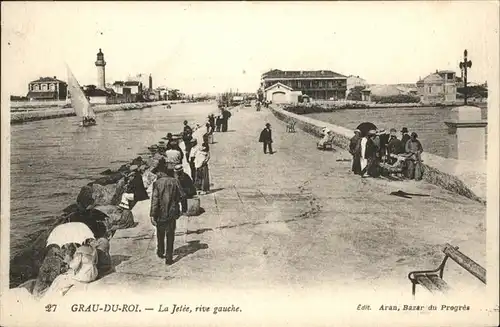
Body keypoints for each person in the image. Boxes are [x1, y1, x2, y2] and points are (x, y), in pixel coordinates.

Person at [150, 160, 184, 264]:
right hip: (172, 212)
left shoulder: (157, 183)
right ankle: (169, 258)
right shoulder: (175, 181)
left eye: (157, 173)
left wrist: (152, 214)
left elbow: (155, 200)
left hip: (160, 213)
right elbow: (182, 196)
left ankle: (160, 251)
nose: (157, 175)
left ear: (161, 172)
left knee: (160, 233)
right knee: (170, 235)